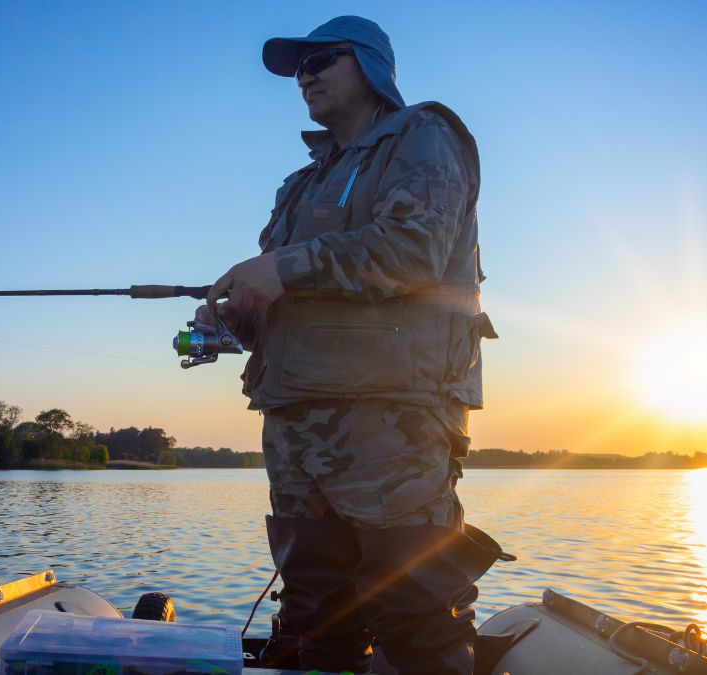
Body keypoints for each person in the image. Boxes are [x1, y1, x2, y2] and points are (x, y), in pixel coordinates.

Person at [201, 16, 508, 674]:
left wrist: (280, 269)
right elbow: (282, 295)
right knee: (312, 607)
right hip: (294, 424)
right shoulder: (299, 185)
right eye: (297, 67)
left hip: (391, 419)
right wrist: (231, 316)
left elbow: (412, 251)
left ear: (369, 64)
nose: (304, 74)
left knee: (412, 607)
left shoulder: (423, 134)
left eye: (321, 59)